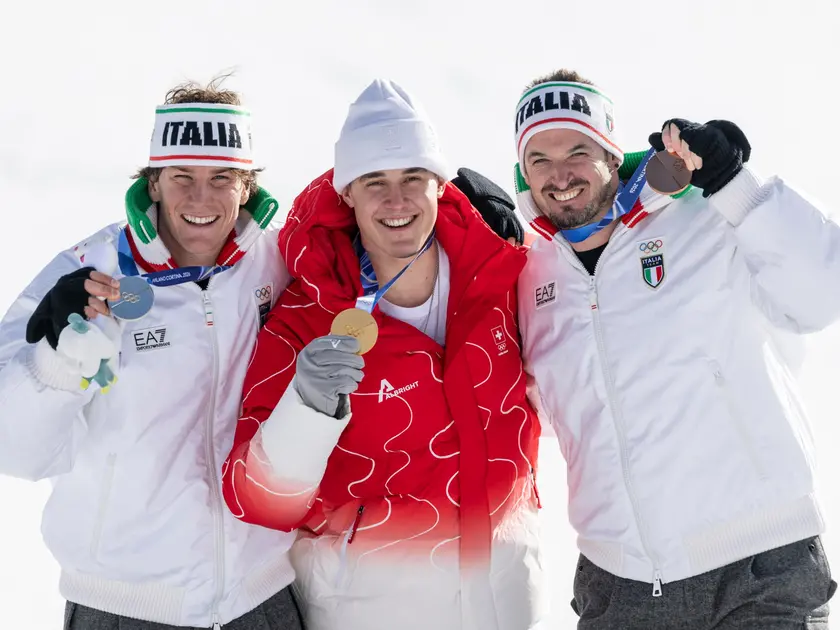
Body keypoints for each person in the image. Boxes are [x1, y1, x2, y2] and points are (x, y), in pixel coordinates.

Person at [514, 67, 840, 629]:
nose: (559, 174)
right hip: (619, 585)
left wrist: (737, 185)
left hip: (759, 565)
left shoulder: (701, 214)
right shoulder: (527, 274)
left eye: (576, 149)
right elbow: (525, 410)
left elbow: (820, 294)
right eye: (538, 159)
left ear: (613, 154)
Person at [221, 79, 546, 630]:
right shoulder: (305, 315)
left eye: (413, 178)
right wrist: (307, 409)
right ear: (345, 191)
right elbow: (257, 502)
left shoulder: (501, 280)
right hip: (364, 611)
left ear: (441, 184)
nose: (396, 201)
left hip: (505, 603)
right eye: (374, 182)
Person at [0, 79, 304, 629]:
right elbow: (13, 449)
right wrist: (59, 359)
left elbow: (387, 253)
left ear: (247, 186)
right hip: (125, 605)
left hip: (262, 597)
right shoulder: (90, 271)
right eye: (182, 176)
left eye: (222, 179)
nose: (201, 200)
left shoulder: (280, 262)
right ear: (154, 182)